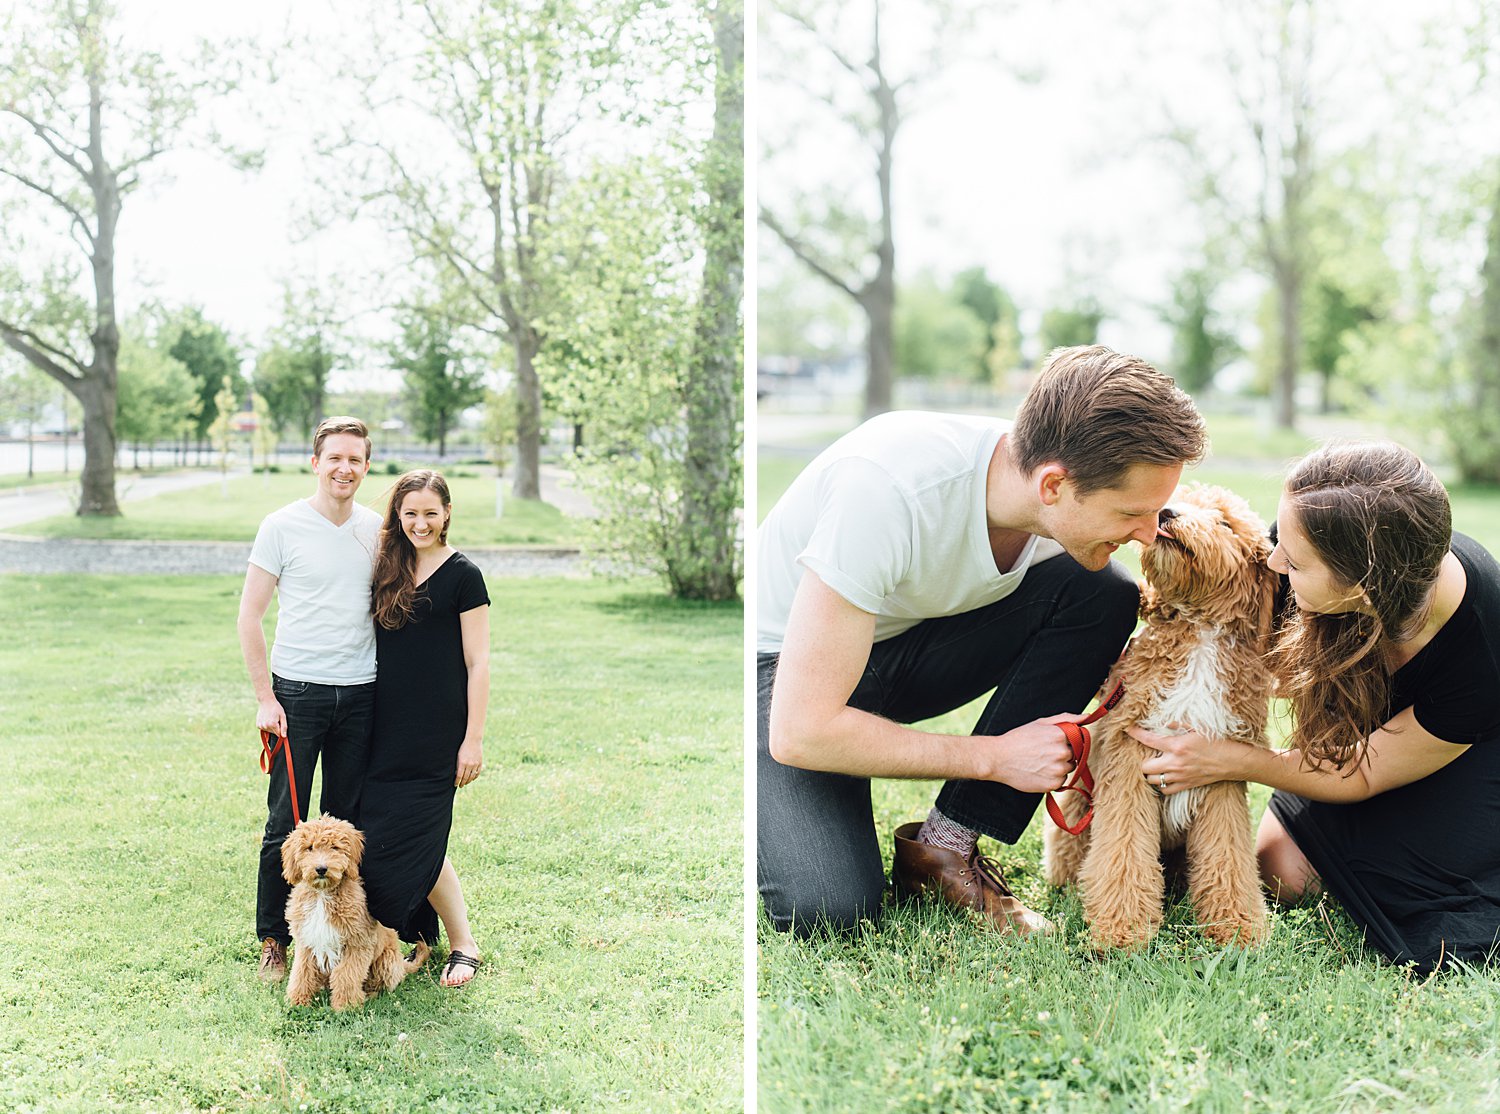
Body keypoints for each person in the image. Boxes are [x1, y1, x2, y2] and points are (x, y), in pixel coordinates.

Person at [758, 345, 1207, 936]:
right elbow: (803, 732)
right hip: (788, 669)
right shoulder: (887, 490)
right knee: (830, 909)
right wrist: (996, 759)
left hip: (908, 647)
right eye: (1133, 513)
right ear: (1053, 485)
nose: (1149, 535)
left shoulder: (1060, 492)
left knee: (1106, 592)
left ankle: (944, 850)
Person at [1134, 442, 1500, 972]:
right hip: (1363, 736)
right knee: (1282, 872)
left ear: (1363, 589)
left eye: (1295, 562)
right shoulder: (1309, 540)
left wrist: (1233, 758)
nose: (1274, 559)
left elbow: (1364, 772)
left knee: (1428, 902)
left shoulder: (1482, 647)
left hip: (1461, 751)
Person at [238, 416, 380, 982]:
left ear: (367, 466)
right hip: (296, 693)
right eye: (335, 457)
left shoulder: (378, 529)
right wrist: (265, 698)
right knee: (286, 822)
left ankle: (348, 934)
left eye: (356, 459)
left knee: (347, 825)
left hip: (363, 692)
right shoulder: (281, 526)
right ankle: (276, 936)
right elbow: (249, 616)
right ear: (316, 461)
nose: (344, 468)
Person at [358, 469, 491, 988]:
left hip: (437, 732)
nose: (420, 522)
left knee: (422, 835)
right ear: (398, 514)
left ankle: (465, 945)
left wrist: (472, 738)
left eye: (430, 513)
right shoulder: (384, 567)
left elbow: (479, 662)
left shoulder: (464, 575)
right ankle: (417, 940)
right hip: (378, 728)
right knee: (382, 837)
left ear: (447, 514)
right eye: (410, 512)